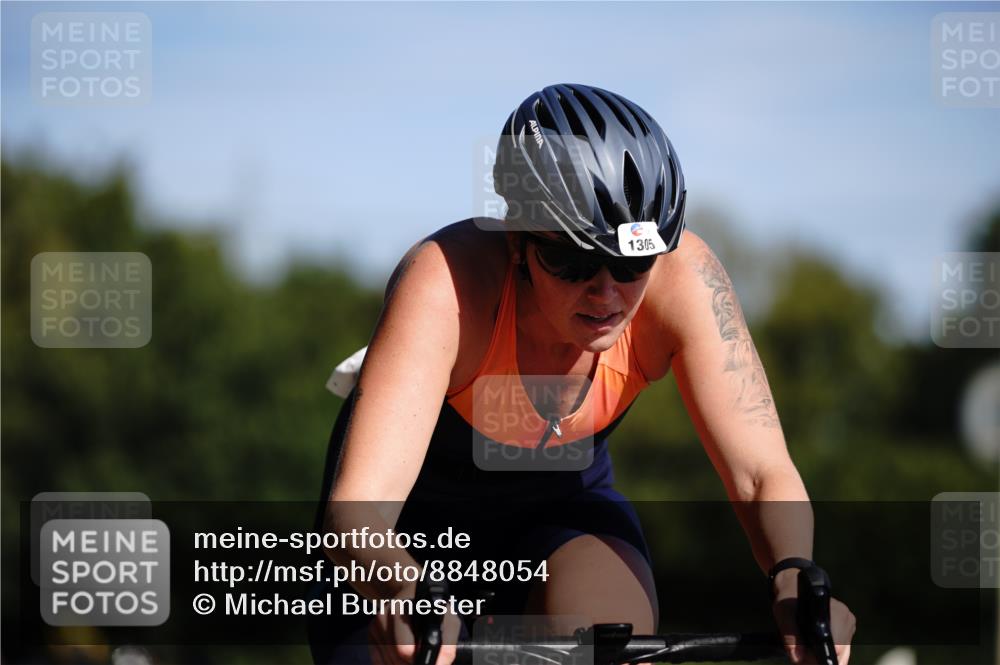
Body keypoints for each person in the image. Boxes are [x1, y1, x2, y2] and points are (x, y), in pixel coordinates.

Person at [307, 83, 856, 665]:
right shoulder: (446, 282)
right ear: (515, 239)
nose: (606, 291)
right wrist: (402, 589)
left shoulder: (684, 281)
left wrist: (794, 575)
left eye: (631, 263)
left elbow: (760, 472)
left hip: (561, 514)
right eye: (572, 260)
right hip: (407, 536)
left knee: (605, 643)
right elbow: (360, 506)